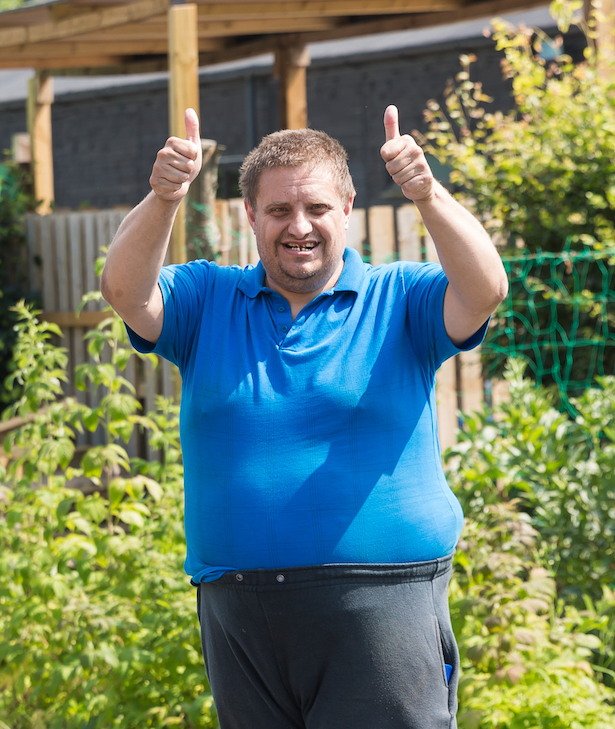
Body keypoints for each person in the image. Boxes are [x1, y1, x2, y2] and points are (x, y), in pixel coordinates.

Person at [100, 105, 508, 729]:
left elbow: (484, 290)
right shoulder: (208, 299)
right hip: (239, 609)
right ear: (251, 217)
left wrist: (426, 192)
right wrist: (163, 197)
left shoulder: (400, 297)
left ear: (346, 210)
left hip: (382, 602)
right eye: (279, 210)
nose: (299, 226)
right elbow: (125, 292)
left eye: (316, 208)